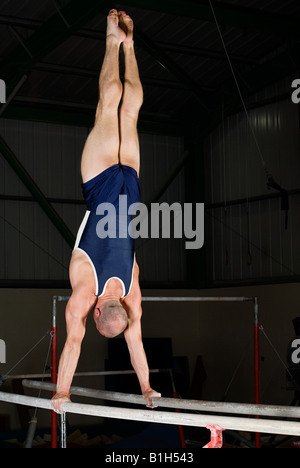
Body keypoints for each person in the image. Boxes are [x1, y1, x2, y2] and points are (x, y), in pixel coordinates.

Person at [51, 9, 161, 414]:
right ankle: (112, 40)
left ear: (124, 311)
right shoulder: (85, 290)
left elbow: (136, 342)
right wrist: (61, 392)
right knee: (107, 105)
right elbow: (73, 342)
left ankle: (129, 46)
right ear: (98, 309)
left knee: (129, 112)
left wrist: (149, 388)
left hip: (129, 188)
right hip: (99, 182)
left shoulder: (134, 293)